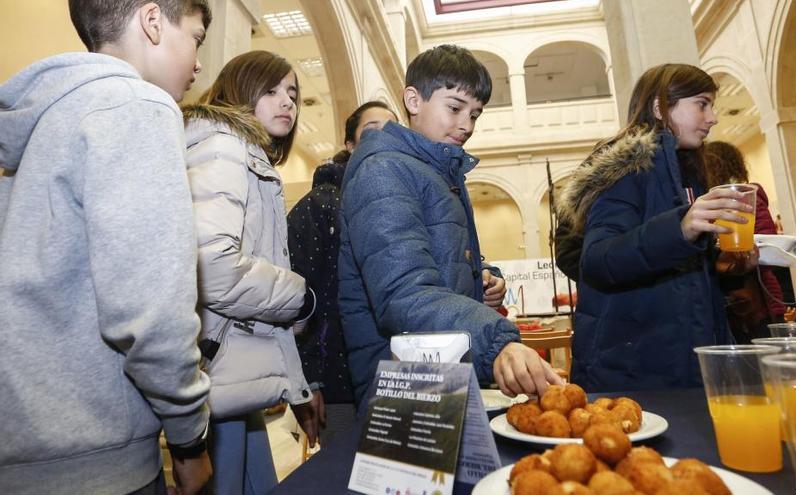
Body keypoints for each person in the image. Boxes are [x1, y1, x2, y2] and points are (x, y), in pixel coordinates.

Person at [0, 1, 212, 494]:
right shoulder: (138, 106)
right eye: (197, 38)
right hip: (98, 463)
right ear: (153, 21)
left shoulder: (43, 120)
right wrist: (189, 440)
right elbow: (151, 310)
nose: (199, 61)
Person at [338, 44, 563, 408]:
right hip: (401, 386)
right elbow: (403, 292)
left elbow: (437, 261)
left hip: (438, 376)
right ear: (413, 99)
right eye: (455, 108)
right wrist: (496, 339)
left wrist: (480, 277)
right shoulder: (383, 171)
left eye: (475, 114)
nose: (466, 125)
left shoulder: (436, 170)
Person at [556, 64, 753, 392]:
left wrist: (728, 265)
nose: (713, 117)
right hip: (637, 369)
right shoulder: (629, 168)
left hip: (684, 361)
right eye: (702, 104)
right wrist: (681, 229)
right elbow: (598, 259)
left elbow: (685, 280)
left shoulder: (687, 172)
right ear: (661, 108)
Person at [182, 50, 318, 494]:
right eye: (273, 90)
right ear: (241, 89)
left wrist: (296, 387)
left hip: (235, 370)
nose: (287, 103)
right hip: (218, 362)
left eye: (293, 95)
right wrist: (299, 297)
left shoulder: (245, 153)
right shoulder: (223, 146)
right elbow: (214, 268)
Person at [287, 101, 398, 443]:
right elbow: (300, 296)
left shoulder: (401, 196)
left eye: (391, 131)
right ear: (349, 145)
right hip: (337, 384)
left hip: (401, 378)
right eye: (370, 131)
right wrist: (309, 380)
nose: (382, 139)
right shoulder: (321, 204)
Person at [704, 141, 785, 341]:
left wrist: (734, 254)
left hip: (756, 299)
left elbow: (769, 249)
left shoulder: (748, 199)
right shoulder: (708, 202)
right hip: (732, 300)